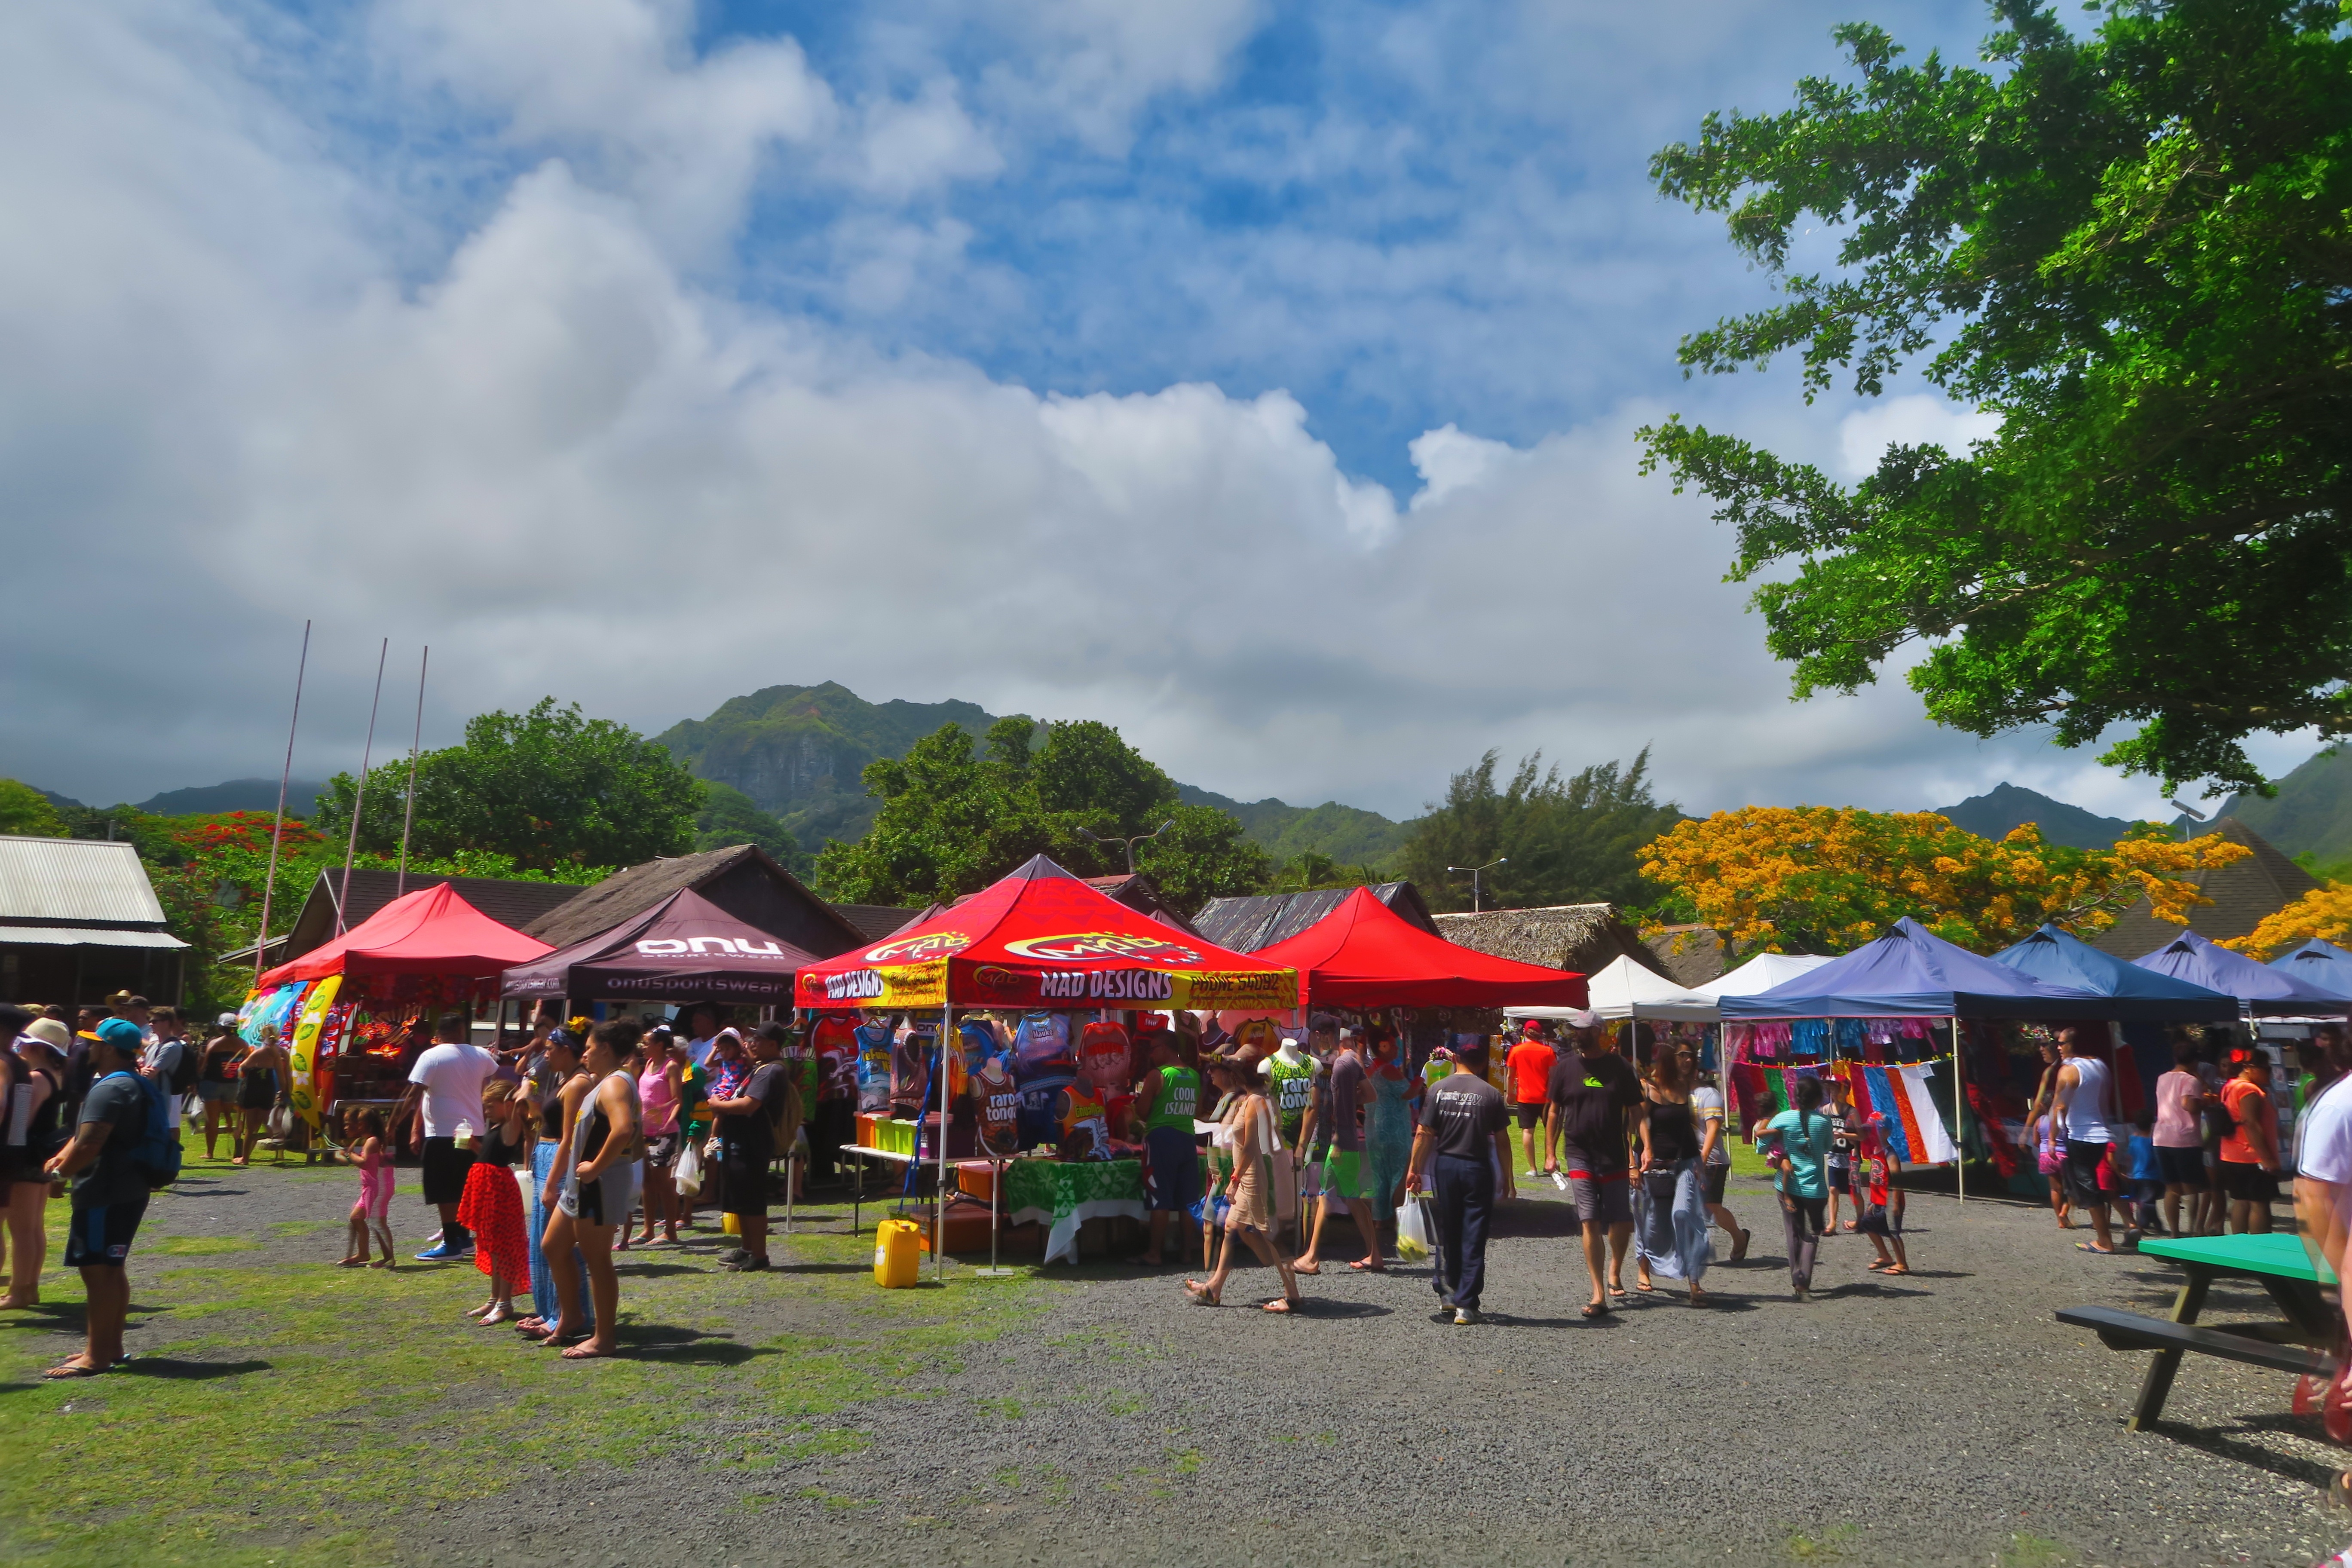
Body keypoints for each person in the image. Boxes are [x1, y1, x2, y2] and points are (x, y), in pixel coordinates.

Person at [40, 1018, 156, 1377]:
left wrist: (60, 1175)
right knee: (112, 1269)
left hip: (104, 1192)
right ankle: (110, 1346)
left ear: (107, 1048)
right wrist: (62, 1155)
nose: (89, 1049)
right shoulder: (133, 1083)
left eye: (94, 1043)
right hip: (128, 1189)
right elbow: (87, 1135)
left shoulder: (110, 1088)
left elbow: (93, 1141)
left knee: (97, 1273)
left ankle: (96, 1356)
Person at [535, 1020, 642, 1358]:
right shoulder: (606, 1083)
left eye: (590, 1048)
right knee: (553, 1245)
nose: (586, 1053)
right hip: (581, 1184)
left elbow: (623, 1129)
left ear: (606, 1049)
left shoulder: (614, 1085)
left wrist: (596, 1167)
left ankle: (603, 1338)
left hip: (599, 1183)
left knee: (598, 1260)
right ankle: (572, 1316)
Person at [1183, 1054, 1305, 1313]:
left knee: (1271, 1234)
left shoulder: (1255, 1102)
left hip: (1255, 1177)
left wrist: (1234, 1180)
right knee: (1231, 1227)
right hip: (1252, 1174)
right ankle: (1214, 1288)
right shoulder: (1257, 1099)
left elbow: (1250, 1146)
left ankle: (1292, 1296)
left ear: (1238, 1076)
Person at [1406, 1039, 1514, 1324]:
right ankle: (1467, 1302)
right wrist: (1509, 1178)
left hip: (1447, 1165)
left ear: (1456, 1058)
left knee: (1449, 1229)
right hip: (1477, 1166)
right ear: (1481, 1063)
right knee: (1474, 1233)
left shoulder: (1438, 1090)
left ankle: (1450, 1291)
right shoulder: (1491, 1094)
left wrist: (1414, 1168)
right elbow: (1503, 1141)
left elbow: (1424, 1133)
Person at [1548, 1023, 1643, 1317]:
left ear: (1599, 1032)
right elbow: (1554, 1110)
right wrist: (1550, 1153)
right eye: (1576, 1030)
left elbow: (1636, 1110)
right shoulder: (1564, 1068)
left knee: (1620, 1221)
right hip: (1579, 1154)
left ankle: (1615, 1268)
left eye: (1586, 1029)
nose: (1580, 1034)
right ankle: (1598, 1293)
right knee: (1589, 1220)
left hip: (1614, 1154)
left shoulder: (1620, 1067)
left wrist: (1643, 1149)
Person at [397, 1011, 498, 1262]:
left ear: (438, 1034)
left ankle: (452, 1240)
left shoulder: (432, 1056)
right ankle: (463, 1237)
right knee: (463, 1185)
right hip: (473, 1130)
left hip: (443, 1133)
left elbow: (415, 1093)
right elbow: (489, 1085)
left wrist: (394, 1123)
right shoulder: (481, 1056)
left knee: (443, 1189)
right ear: (463, 1030)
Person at [705, 1022, 798, 1274]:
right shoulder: (760, 1066)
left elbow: (748, 1105)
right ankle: (747, 1250)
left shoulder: (771, 1071)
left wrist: (717, 1105)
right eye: (751, 1039)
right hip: (740, 1141)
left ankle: (759, 1255)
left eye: (758, 1039)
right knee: (741, 1201)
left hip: (753, 1144)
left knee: (752, 1202)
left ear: (774, 1045)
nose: (752, 1043)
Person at [517, 1028, 589, 1338]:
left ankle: (567, 1313)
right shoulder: (564, 1080)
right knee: (540, 1239)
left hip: (557, 1160)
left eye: (550, 1048)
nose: (546, 1054)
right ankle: (550, 1309)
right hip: (546, 1154)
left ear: (565, 1049)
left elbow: (569, 1137)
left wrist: (553, 1183)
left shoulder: (579, 1083)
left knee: (557, 1243)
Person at [1294, 1026, 1383, 1275]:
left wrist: (1338, 1141)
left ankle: (1311, 1257)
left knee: (1325, 1198)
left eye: (1323, 1035)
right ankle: (1374, 1255)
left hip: (1341, 1143)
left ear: (1332, 1037)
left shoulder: (1343, 1065)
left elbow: (1351, 1103)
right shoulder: (1351, 1063)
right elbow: (1369, 1095)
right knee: (1351, 1200)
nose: (1320, 1039)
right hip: (1346, 1142)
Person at [1634, 1046, 1713, 1305]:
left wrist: (1698, 1161)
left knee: (1684, 1214)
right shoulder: (1646, 1087)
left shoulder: (1684, 1088)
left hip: (1683, 1164)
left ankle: (1694, 1282)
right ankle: (1644, 1268)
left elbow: (1686, 1129)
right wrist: (1641, 1155)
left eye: (1690, 1056)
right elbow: (1638, 1123)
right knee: (1650, 1223)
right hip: (1651, 1166)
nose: (1687, 1060)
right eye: (1681, 1056)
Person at [456, 1081, 531, 1321]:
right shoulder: (498, 1126)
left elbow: (520, 1102)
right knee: (491, 1245)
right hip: (486, 1188)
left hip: (499, 1190)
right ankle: (495, 1299)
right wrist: (474, 1146)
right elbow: (489, 1155)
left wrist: (525, 1085)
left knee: (503, 1246)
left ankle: (504, 1302)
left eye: (490, 1105)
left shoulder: (511, 1124)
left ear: (507, 1105)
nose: (486, 1110)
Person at [1761, 1073, 1836, 1302]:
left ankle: (1797, 1278)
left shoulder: (1782, 1119)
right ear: (1817, 1100)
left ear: (1795, 1097)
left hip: (1788, 1187)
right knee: (1812, 1234)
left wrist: (1781, 1153)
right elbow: (1826, 1147)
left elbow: (1761, 1145)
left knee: (1793, 1232)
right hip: (1815, 1188)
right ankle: (1803, 1281)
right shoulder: (1824, 1122)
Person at [1133, 1029, 1201, 1267]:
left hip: (1161, 1139)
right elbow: (1197, 1108)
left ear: (1166, 1048)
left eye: (1154, 1049)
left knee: (1160, 1197)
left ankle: (1154, 1253)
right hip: (1186, 1139)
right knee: (1187, 1200)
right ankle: (1186, 1253)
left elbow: (1142, 1111)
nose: (1151, 1054)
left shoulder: (1158, 1075)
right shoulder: (1193, 1075)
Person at [2052, 1026, 2121, 1254]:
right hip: (2100, 1134)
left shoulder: (2068, 1071)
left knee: (2088, 1190)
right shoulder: (2100, 1066)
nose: (2058, 1048)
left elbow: (2059, 1105)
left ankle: (2105, 1241)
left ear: (2074, 1045)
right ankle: (2110, 1233)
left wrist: (2052, 1137)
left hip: (2081, 1135)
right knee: (2094, 1186)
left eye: (2062, 1043)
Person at [1687, 1056, 1749, 1261]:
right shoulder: (1677, 1094)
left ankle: (1739, 1237)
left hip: (1711, 1161)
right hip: (1684, 1159)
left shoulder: (1709, 1094)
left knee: (1711, 1207)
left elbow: (1713, 1129)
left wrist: (1702, 1160)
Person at [628, 1026, 685, 1247]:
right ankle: (648, 1228)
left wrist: (666, 1119)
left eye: (647, 1043)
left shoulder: (670, 1067)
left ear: (660, 1045)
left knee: (663, 1183)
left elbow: (677, 1100)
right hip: (644, 1131)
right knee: (646, 1183)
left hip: (664, 1133)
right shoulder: (649, 1064)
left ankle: (670, 1231)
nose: (643, 1047)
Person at [2217, 1046, 2281, 1234]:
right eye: (2267, 1069)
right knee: (2260, 1204)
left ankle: (2239, 1246)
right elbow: (2251, 1123)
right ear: (2250, 1068)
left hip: (2230, 1155)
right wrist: (2267, 1158)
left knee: (2241, 1200)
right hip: (2252, 1157)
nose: (2270, 1073)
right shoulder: (2248, 1090)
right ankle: (2260, 1247)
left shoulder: (2230, 1086)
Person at [1363, 1030, 1416, 1251]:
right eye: (1394, 1046)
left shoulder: (1368, 1069)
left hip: (1374, 1128)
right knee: (1399, 1174)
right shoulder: (1390, 1070)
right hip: (1394, 1129)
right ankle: (1398, 1220)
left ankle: (1380, 1218)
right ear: (1383, 1047)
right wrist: (1420, 1081)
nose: (1397, 1050)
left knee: (1380, 1176)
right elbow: (1408, 1093)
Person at [2152, 1035, 2209, 1237]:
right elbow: (2188, 1104)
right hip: (2185, 1138)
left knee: (2171, 1189)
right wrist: (2204, 1103)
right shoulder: (2191, 1080)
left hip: (2161, 1137)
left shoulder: (2162, 1078)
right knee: (2190, 1188)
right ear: (2195, 1060)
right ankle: (2193, 1229)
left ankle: (2175, 1231)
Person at [336, 1106, 397, 1268]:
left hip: (377, 1188)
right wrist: (344, 1156)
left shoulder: (372, 1141)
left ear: (362, 1124)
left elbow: (366, 1164)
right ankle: (363, 1254)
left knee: (378, 1222)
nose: (346, 1127)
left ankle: (389, 1259)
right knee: (356, 1218)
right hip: (370, 1188)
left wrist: (349, 1155)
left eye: (351, 1123)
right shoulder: (369, 1141)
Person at [1851, 1122, 1909, 1276]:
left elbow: (1896, 1178)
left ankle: (1902, 1264)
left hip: (1890, 1200)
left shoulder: (1890, 1153)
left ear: (1886, 1132)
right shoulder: (1875, 1150)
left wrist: (1896, 1203)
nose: (1872, 1133)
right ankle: (1885, 1256)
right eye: (1870, 1130)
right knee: (1866, 1224)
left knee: (1892, 1231)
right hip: (1877, 1199)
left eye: (1875, 1130)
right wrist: (1873, 1200)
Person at [2025, 1037, 2071, 1229]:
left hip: (2046, 1155)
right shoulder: (2063, 1119)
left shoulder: (2040, 1121)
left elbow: (2036, 1141)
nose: (2041, 1049)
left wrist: (2029, 1133)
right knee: (2072, 1187)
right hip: (2064, 1154)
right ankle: (2065, 1212)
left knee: (2055, 1188)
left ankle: (2060, 1219)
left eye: (2045, 1046)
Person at [229, 1023, 288, 1167]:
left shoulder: (258, 1053)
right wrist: (285, 1091)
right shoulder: (281, 1052)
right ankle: (248, 1155)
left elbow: (242, 1068)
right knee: (257, 1124)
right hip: (268, 1089)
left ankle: (245, 1158)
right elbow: (282, 1076)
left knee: (250, 1126)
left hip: (254, 1088)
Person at [1505, 1021, 1557, 1177]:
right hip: (1545, 1098)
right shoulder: (1548, 1051)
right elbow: (1554, 1077)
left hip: (1525, 1097)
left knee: (1528, 1131)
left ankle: (1533, 1168)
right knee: (1551, 1131)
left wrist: (1510, 1093)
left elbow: (1510, 1075)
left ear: (1525, 1032)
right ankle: (1550, 1162)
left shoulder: (1516, 1050)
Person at [196, 1014, 243, 1161]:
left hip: (212, 1082)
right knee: (229, 1114)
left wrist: (195, 1079)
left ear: (220, 1027)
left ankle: (210, 1152)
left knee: (212, 1120)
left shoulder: (214, 1043)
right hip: (232, 1084)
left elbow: (203, 1065)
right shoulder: (243, 1044)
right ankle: (236, 1143)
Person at [1823, 1073, 1858, 1233]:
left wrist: (1845, 1135)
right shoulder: (1825, 1110)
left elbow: (1861, 1136)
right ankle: (1832, 1223)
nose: (1832, 1091)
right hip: (1833, 1156)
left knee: (1854, 1190)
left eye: (1835, 1088)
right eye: (1830, 1088)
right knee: (1833, 1189)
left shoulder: (1852, 1112)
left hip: (1849, 1156)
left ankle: (1860, 1220)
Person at [2123, 1112, 2165, 1237]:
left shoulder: (2134, 1139)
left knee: (2145, 1200)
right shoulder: (2153, 1141)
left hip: (2137, 1174)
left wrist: (2128, 1171)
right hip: (2152, 1175)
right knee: (2147, 1202)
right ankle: (2142, 1226)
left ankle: (2157, 1224)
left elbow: (2129, 1157)